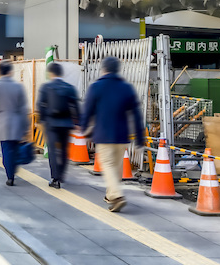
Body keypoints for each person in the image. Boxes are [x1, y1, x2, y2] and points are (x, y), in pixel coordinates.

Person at [81, 56, 144, 212]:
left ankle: (116, 194)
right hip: (122, 135)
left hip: (104, 134)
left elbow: (87, 110)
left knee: (108, 165)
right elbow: (136, 114)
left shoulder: (96, 87)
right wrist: (140, 139)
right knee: (116, 167)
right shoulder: (126, 87)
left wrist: (84, 129)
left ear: (103, 69)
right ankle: (110, 196)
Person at [37, 62, 80, 189]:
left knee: (52, 150)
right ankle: (61, 174)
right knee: (64, 150)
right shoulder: (69, 87)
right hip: (66, 123)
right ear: (61, 73)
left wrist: (41, 120)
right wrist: (78, 122)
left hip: (51, 123)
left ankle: (55, 178)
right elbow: (76, 106)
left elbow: (40, 105)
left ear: (50, 73)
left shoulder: (46, 87)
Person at [0, 61, 29, 186]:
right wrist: (26, 127)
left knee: (6, 150)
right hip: (17, 122)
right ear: (10, 72)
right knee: (15, 148)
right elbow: (23, 108)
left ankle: (10, 175)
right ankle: (13, 168)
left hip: (1, 123)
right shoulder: (18, 87)